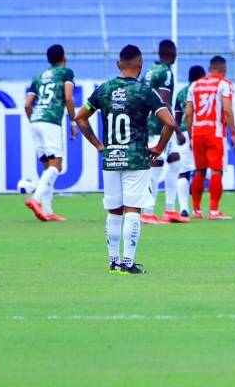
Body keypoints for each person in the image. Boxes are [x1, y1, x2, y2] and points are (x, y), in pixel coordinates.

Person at [74, 44, 175, 274]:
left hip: (111, 158)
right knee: (133, 209)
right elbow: (170, 122)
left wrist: (99, 145)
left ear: (118, 64)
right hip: (136, 158)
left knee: (113, 210)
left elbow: (80, 118)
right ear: (140, 66)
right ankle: (128, 263)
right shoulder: (144, 91)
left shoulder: (103, 89)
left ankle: (113, 261)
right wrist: (159, 146)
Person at [23, 43, 76, 222]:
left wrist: (33, 120)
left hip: (35, 119)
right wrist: (73, 121)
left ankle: (47, 210)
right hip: (51, 120)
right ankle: (35, 200)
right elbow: (68, 97)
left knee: (47, 165)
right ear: (64, 57)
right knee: (56, 165)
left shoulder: (39, 77)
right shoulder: (66, 73)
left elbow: (27, 104)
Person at [185, 55, 235, 220]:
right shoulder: (224, 84)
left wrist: (190, 135)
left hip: (197, 131)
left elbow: (188, 114)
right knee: (216, 170)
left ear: (210, 68)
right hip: (214, 131)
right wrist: (233, 132)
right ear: (224, 70)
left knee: (199, 171)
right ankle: (214, 211)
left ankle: (196, 210)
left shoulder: (194, 85)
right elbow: (227, 110)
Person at [142, 40, 184, 224]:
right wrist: (177, 129)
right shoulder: (166, 72)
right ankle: (148, 212)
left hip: (154, 122)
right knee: (155, 167)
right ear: (172, 54)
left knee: (175, 162)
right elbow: (164, 101)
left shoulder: (151, 71)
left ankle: (170, 210)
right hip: (157, 124)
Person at [173, 64, 204, 218]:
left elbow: (176, 119)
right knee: (202, 170)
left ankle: (184, 208)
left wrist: (178, 134)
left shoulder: (181, 94)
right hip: (201, 132)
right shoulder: (204, 91)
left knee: (183, 172)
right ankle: (198, 208)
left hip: (184, 134)